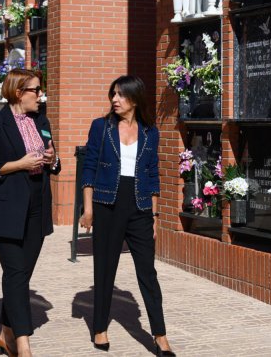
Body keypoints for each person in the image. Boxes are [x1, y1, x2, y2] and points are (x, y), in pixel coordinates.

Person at [79, 75, 175, 356]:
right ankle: (99, 328)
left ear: (134, 98)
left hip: (140, 205)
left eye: (120, 95)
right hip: (107, 202)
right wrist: (88, 208)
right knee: (105, 270)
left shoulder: (150, 132)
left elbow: (152, 174)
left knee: (148, 272)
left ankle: (160, 335)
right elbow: (89, 169)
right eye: (113, 94)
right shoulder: (101, 127)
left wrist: (155, 216)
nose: (114, 100)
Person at [0, 68, 60, 357]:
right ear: (19, 92)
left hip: (37, 206)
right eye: (36, 90)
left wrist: (52, 159)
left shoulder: (41, 120)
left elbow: (54, 160)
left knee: (20, 276)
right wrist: (19, 164)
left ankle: (6, 333)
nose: (40, 95)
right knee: (15, 272)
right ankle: (23, 345)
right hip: (6, 208)